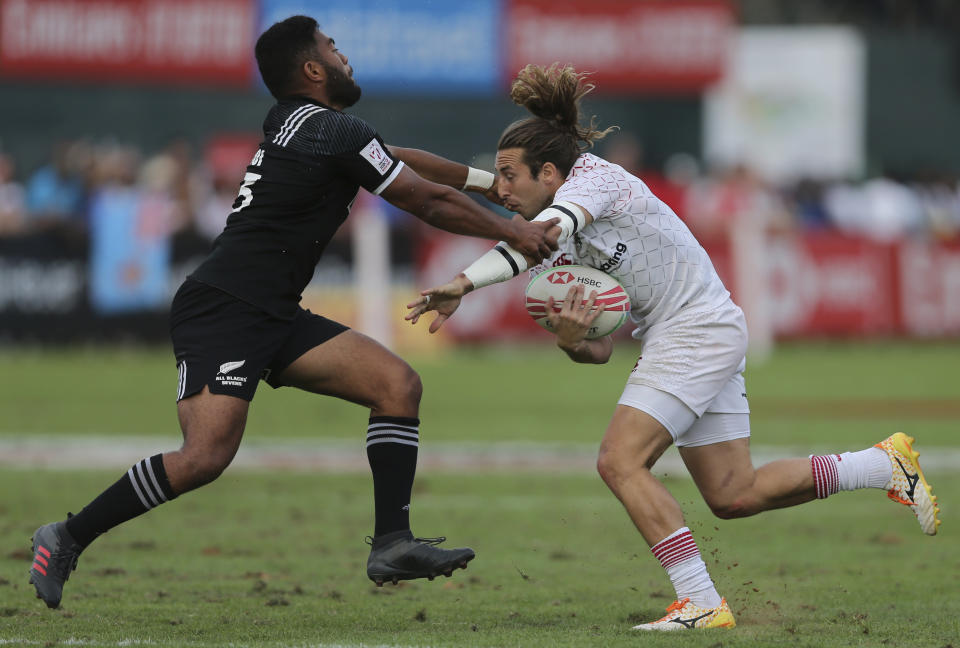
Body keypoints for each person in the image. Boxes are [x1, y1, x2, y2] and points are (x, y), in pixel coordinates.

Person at [27, 16, 559, 610]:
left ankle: (392, 543)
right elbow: (423, 197)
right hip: (224, 307)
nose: (344, 57)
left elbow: (399, 158)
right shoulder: (331, 130)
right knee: (205, 456)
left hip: (272, 310)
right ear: (313, 69)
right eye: (333, 48)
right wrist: (514, 229)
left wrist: (489, 183)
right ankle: (65, 537)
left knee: (396, 385)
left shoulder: (308, 125)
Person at [404, 64, 941, 631]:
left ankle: (701, 602)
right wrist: (570, 342)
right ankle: (882, 464)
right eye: (499, 178)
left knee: (619, 461)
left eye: (509, 176)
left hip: (697, 328)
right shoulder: (553, 235)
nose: (502, 188)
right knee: (735, 493)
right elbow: (601, 349)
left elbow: (521, 228)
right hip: (687, 331)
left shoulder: (592, 182)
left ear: (550, 172)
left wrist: (463, 282)